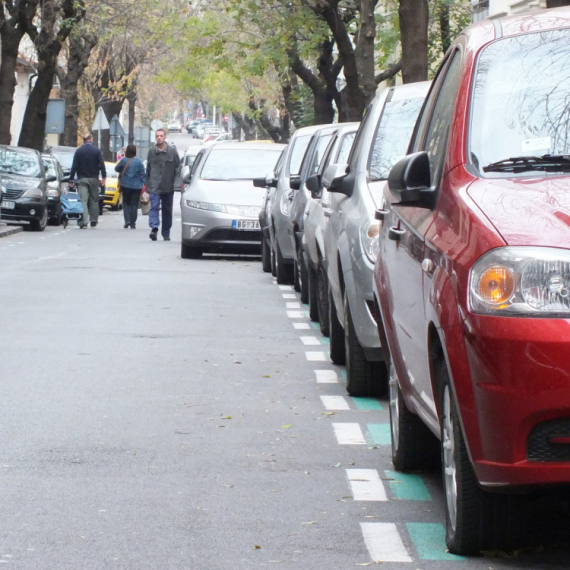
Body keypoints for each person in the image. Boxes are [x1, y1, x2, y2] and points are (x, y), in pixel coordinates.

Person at [145, 128, 181, 241]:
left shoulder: (172, 151)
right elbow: (148, 170)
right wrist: (147, 186)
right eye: (157, 136)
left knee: (167, 210)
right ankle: (154, 229)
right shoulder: (151, 152)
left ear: (165, 137)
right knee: (154, 207)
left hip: (168, 186)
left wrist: (176, 184)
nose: (159, 138)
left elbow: (178, 168)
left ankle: (166, 233)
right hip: (154, 186)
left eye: (161, 136)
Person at [69, 133, 106, 228]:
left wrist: (71, 179)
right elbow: (102, 165)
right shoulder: (97, 151)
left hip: (82, 179)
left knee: (83, 201)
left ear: (83, 140)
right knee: (94, 200)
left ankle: (84, 222)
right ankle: (94, 220)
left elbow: (74, 166)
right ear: (91, 139)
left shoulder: (79, 151)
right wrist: (104, 177)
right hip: (94, 179)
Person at [115, 144, 146, 229]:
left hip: (125, 185)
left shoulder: (123, 160)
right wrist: (146, 185)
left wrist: (122, 170)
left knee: (126, 203)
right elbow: (143, 174)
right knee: (134, 204)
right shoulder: (139, 162)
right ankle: (133, 223)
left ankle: (127, 220)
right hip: (137, 186)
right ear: (135, 151)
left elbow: (116, 168)